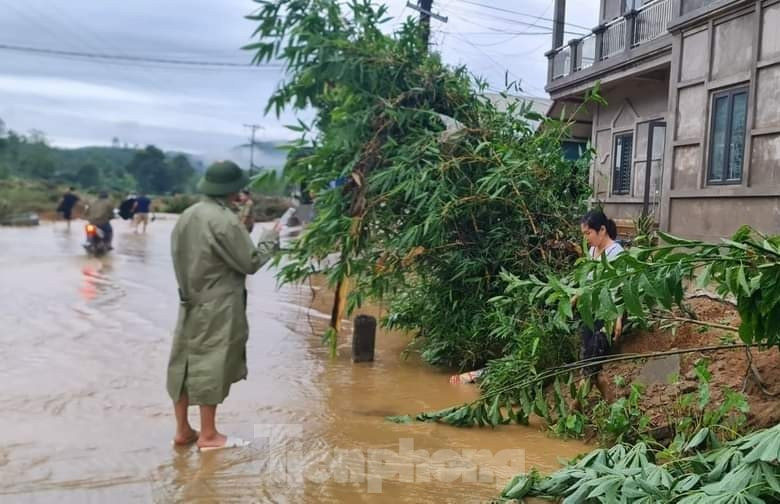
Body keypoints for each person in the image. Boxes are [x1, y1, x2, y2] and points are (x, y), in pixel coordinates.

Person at [166, 161, 279, 451]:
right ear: (233, 189)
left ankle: (183, 430)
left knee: (184, 361)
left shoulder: (187, 215)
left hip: (189, 300)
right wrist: (270, 239)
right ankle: (209, 435)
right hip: (218, 304)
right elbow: (250, 262)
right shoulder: (224, 220)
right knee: (211, 363)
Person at [578, 210, 624, 373]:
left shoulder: (616, 253)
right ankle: (608, 396)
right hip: (592, 312)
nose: (586, 238)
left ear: (602, 230)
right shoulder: (592, 252)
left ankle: (579, 398)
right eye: (584, 234)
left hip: (608, 315)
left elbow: (621, 288)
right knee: (586, 360)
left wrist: (618, 318)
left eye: (588, 233)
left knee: (592, 362)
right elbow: (589, 283)